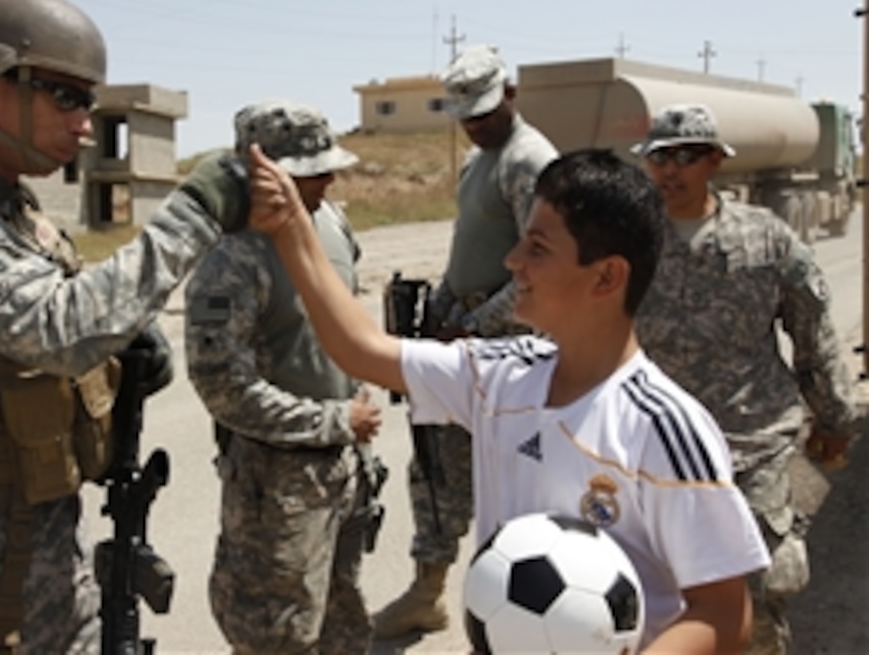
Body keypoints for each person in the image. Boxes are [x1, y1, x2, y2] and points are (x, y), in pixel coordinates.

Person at [0, 0, 250, 653]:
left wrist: (122, 350)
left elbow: (52, 343)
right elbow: (59, 330)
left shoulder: (14, 214)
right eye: (66, 96)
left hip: (46, 559)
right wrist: (199, 207)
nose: (87, 123)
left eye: (90, 101)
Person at [248, 145, 772, 652]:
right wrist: (294, 228)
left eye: (538, 248)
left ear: (607, 276)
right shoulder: (500, 376)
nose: (513, 260)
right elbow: (362, 349)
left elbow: (725, 615)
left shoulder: (662, 427)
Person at [630, 104, 864, 654]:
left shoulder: (765, 239)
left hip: (751, 448)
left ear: (714, 160)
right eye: (659, 158)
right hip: (656, 452)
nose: (670, 170)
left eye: (685, 156)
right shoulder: (633, 241)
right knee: (659, 601)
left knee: (758, 602)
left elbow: (813, 335)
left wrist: (835, 418)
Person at [184, 100, 385, 654]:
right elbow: (220, 384)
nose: (324, 178)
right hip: (279, 484)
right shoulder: (231, 256)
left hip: (346, 466)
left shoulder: (333, 222)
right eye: (306, 171)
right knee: (277, 633)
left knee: (343, 617)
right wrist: (333, 418)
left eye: (326, 167)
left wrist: (361, 383)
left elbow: (343, 314)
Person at [373, 42, 558, 639]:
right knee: (435, 472)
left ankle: (525, 610)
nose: (476, 125)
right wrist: (441, 314)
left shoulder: (527, 161)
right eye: (466, 117)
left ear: (511, 93)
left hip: (508, 348)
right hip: (465, 337)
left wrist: (474, 328)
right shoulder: (481, 160)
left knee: (514, 482)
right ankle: (428, 594)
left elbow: (540, 271)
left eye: (484, 112)